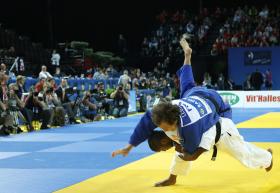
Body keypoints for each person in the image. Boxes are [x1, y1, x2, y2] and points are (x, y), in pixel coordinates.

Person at [112, 39, 273, 187]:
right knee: (187, 85)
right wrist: (129, 146)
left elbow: (195, 151)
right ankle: (187, 56)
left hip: (218, 111)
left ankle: (268, 158)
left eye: (164, 126)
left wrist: (190, 153)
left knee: (243, 154)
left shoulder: (190, 127)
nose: (163, 128)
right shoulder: (163, 111)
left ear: (173, 120)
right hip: (193, 95)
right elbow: (145, 126)